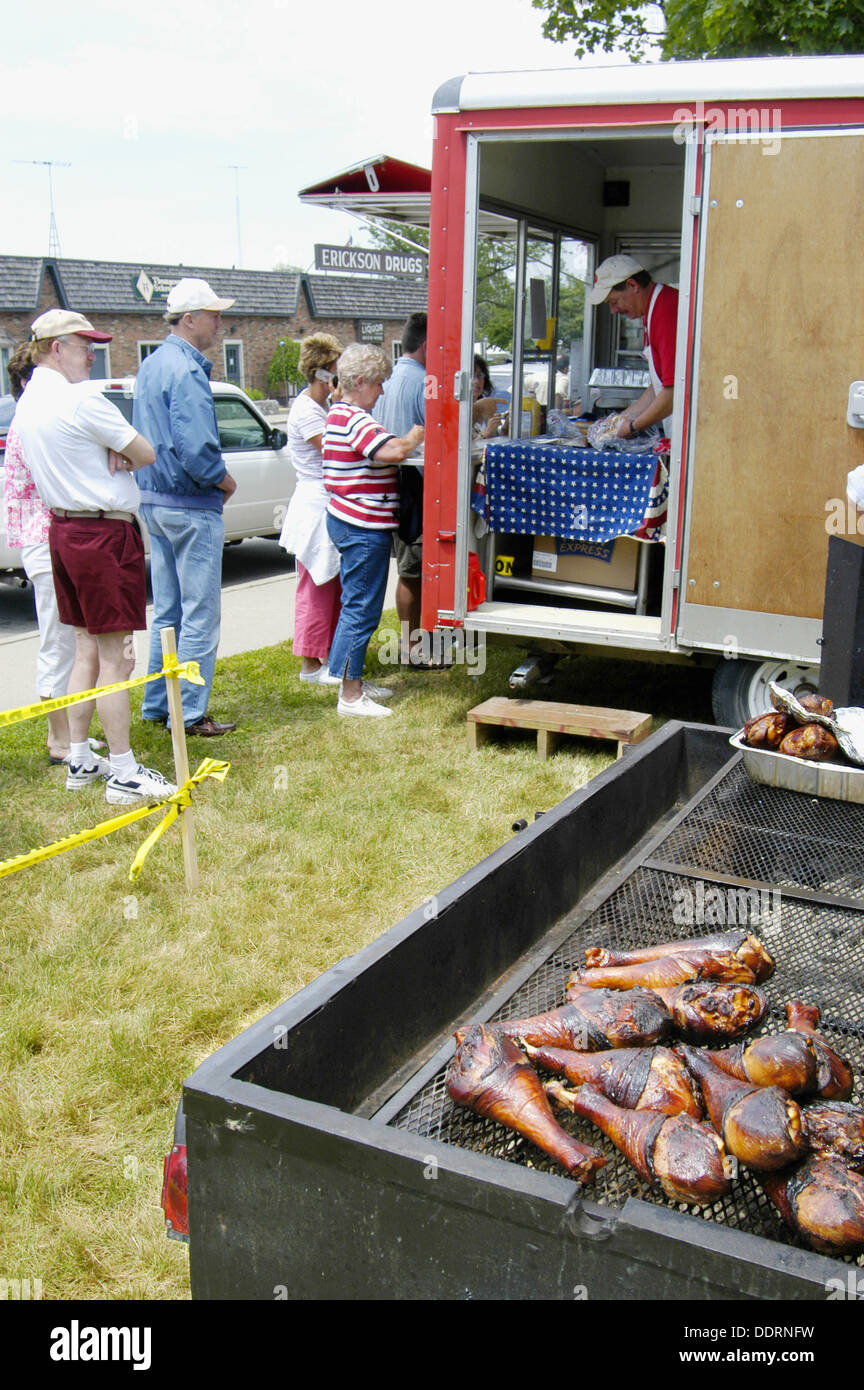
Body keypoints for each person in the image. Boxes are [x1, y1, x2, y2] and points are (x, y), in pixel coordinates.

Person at [12, 309, 176, 805]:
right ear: (55, 349)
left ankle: (80, 755)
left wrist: (116, 454)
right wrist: (123, 455)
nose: (91, 352)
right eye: (83, 344)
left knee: (85, 649)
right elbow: (146, 451)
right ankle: (124, 771)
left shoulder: (28, 404)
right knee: (115, 658)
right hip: (102, 533)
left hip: (62, 529)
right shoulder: (81, 400)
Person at [132, 277, 238, 737]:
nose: (220, 323)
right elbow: (197, 449)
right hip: (191, 504)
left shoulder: (152, 365)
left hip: (155, 501)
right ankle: (189, 712)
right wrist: (224, 480)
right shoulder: (188, 370)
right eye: (214, 315)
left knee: (168, 614)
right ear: (189, 319)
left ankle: (158, 705)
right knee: (199, 614)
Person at [323, 343, 424, 717]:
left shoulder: (340, 414)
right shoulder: (356, 418)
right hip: (363, 526)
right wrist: (415, 435)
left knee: (357, 604)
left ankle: (352, 680)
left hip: (351, 521)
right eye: (379, 383)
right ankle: (350, 696)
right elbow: (393, 452)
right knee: (361, 609)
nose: (382, 391)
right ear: (361, 381)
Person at [2, 343, 80, 763]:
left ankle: (68, 734)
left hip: (47, 540)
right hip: (43, 540)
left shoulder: (25, 421)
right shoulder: (28, 424)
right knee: (58, 641)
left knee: (66, 638)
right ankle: (58, 740)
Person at [277, 333, 344, 684]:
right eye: (337, 370)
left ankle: (328, 655)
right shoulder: (307, 410)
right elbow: (334, 448)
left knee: (331, 583)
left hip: (326, 503)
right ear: (322, 374)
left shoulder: (323, 408)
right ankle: (309, 663)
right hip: (314, 504)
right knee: (315, 584)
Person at [373, 312, 427, 664]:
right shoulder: (424, 382)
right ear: (426, 345)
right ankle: (410, 646)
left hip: (386, 486)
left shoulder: (385, 381)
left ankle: (414, 643)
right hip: (413, 486)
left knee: (409, 569)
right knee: (412, 571)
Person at [588, 255, 678, 440]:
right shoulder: (653, 310)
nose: (614, 311)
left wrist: (632, 427)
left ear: (632, 285)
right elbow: (658, 387)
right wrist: (619, 421)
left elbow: (675, 391)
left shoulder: (666, 310)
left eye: (614, 302)